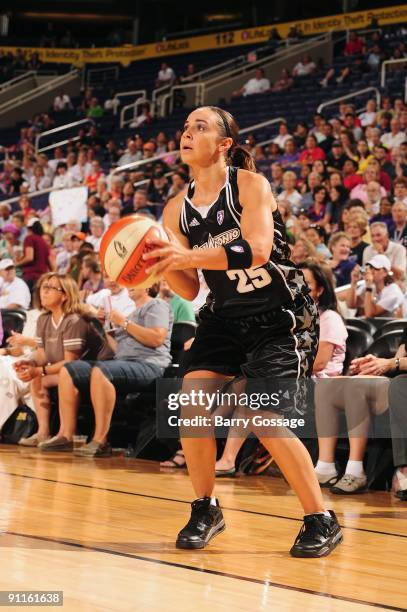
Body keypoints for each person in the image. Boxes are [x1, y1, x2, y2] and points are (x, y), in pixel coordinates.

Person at [143, 105, 342, 557]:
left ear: (225, 144)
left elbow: (256, 248)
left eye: (200, 127)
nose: (187, 133)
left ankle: (321, 519)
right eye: (185, 126)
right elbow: (189, 286)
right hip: (225, 315)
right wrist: (158, 263)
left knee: (263, 419)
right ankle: (205, 507)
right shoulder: (177, 208)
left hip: (279, 315)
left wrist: (187, 256)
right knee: (192, 402)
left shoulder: (251, 185)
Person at [38, 287, 172, 455]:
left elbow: (157, 338)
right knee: (69, 369)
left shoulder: (157, 304)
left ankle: (100, 440)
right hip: (124, 363)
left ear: (148, 285)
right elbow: (118, 351)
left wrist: (124, 322)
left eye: (134, 283)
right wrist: (104, 328)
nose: (128, 287)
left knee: (101, 371)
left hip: (150, 366)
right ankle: (67, 435)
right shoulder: (132, 313)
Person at [14, 273, 109, 447]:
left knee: (57, 375)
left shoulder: (74, 320)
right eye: (43, 287)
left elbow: (70, 363)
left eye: (51, 288)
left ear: (65, 295)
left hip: (96, 370)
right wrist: (30, 363)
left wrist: (40, 370)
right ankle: (43, 432)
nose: (44, 291)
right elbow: (42, 354)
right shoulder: (43, 319)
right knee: (36, 378)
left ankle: (65, 434)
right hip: (68, 370)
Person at [16, 218, 51, 292]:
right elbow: (50, 262)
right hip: (42, 277)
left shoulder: (29, 238)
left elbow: (29, 257)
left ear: (29, 228)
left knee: (28, 301)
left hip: (30, 277)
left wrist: (16, 264)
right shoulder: (43, 241)